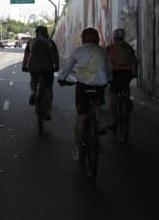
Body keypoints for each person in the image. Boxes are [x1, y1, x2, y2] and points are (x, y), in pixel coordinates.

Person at [58, 27, 112, 160]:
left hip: (83, 86)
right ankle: (97, 127)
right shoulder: (103, 51)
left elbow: (67, 68)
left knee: (81, 116)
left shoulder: (78, 51)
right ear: (97, 38)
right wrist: (109, 79)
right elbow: (109, 69)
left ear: (83, 39)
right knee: (97, 105)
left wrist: (62, 79)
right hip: (100, 86)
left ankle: (77, 148)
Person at [22, 25, 60, 119]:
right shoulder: (50, 42)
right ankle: (47, 112)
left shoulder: (31, 42)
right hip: (47, 69)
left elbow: (26, 55)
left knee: (33, 79)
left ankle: (33, 93)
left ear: (36, 33)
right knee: (48, 88)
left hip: (33, 68)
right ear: (46, 33)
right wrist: (56, 66)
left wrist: (24, 66)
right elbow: (55, 56)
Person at [106, 27, 137, 131]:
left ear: (114, 37)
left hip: (115, 73)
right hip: (127, 73)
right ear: (123, 37)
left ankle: (113, 122)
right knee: (126, 86)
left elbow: (106, 62)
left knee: (113, 98)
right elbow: (134, 61)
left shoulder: (110, 47)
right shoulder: (129, 47)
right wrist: (135, 74)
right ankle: (127, 99)